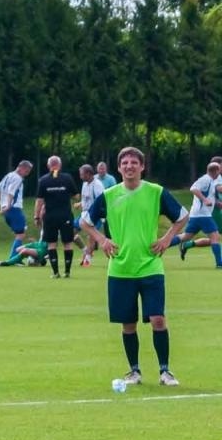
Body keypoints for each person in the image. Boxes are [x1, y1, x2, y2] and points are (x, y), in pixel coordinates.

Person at [80, 146, 188, 388]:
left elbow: (182, 216)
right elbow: (85, 221)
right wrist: (102, 240)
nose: (129, 166)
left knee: (158, 319)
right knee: (128, 323)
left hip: (150, 267)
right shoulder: (108, 195)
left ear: (142, 167)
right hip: (120, 269)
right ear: (119, 168)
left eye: (134, 163)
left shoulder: (156, 192)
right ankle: (134, 371)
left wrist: (167, 238)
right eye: (125, 163)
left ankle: (165, 371)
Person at [33, 155, 78, 277]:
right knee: (68, 243)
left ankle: (55, 272)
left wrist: (36, 216)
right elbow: (76, 196)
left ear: (48, 166)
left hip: (49, 217)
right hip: (65, 216)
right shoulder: (67, 178)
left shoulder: (43, 180)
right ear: (60, 165)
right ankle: (67, 272)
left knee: (51, 243)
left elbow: (39, 200)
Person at [175, 161, 222, 266]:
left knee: (185, 237)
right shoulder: (206, 179)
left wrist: (216, 202)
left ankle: (163, 244)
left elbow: (210, 194)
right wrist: (204, 200)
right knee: (215, 237)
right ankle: (220, 263)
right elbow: (193, 188)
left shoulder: (210, 180)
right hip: (203, 214)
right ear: (216, 171)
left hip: (198, 214)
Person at [0, 160, 32, 262]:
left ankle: (16, 257)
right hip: (13, 208)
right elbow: (11, 192)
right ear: (21, 168)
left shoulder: (9, 175)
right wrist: (8, 205)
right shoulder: (17, 178)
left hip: (7, 209)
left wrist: (0, 205)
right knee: (21, 234)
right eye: (27, 171)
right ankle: (14, 258)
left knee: (20, 233)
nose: (27, 174)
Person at [76, 164, 107, 267]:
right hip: (84, 214)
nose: (80, 177)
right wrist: (80, 204)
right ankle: (86, 251)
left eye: (82, 174)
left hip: (94, 214)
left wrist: (99, 216)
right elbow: (86, 199)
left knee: (91, 237)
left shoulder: (97, 185)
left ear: (88, 174)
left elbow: (100, 201)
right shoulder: (85, 184)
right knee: (69, 232)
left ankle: (87, 260)